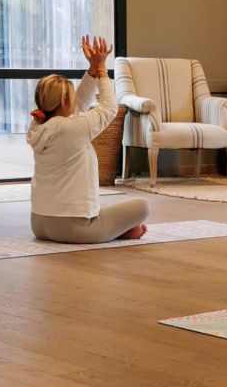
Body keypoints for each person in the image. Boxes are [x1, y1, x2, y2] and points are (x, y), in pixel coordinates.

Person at [28, 35, 151, 244]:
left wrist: (92, 70)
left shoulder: (39, 126)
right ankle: (113, 231)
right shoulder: (71, 128)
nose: (75, 100)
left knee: (106, 213)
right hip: (73, 229)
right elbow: (109, 108)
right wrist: (102, 70)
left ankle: (114, 230)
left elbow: (78, 106)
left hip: (39, 224)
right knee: (143, 206)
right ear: (65, 101)